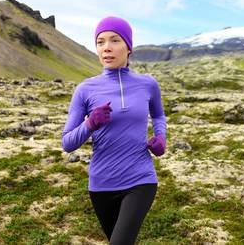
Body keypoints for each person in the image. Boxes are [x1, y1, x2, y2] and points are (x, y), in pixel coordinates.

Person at [61, 16, 167, 244]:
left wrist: (161, 138)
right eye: (100, 42)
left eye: (115, 40)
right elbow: (67, 143)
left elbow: (158, 115)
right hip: (101, 183)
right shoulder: (85, 89)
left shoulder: (148, 84)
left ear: (128, 47)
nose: (107, 47)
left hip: (140, 178)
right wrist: (90, 124)